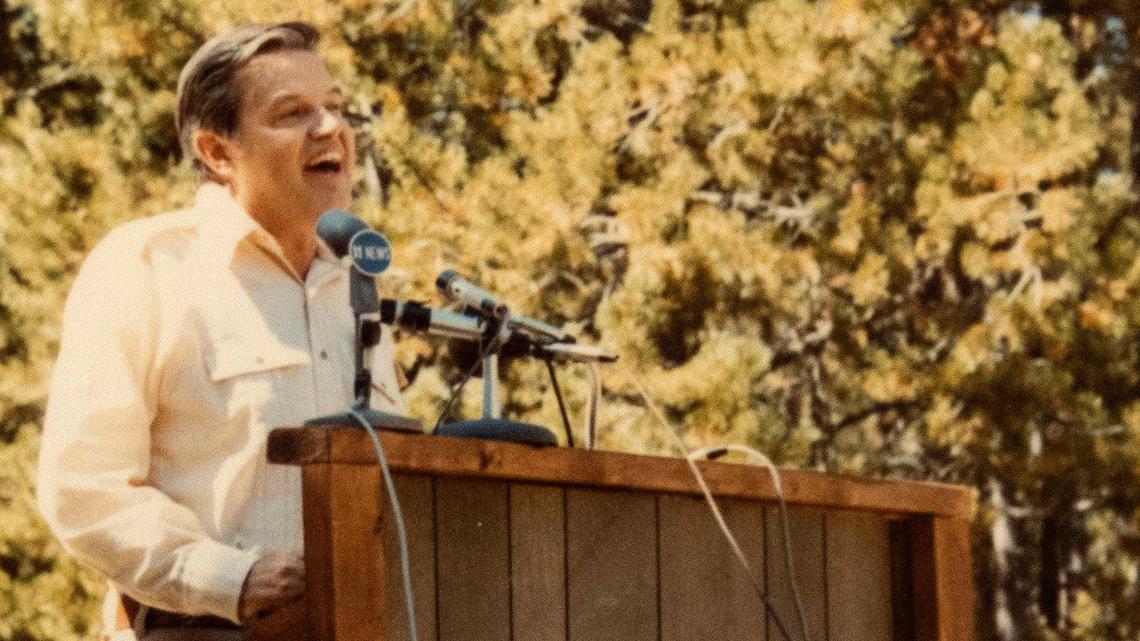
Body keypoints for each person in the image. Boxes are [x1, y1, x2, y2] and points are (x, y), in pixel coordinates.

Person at [36, 22, 405, 641]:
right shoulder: (146, 265)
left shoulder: (356, 288)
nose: (330, 128)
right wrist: (233, 578)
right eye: (292, 113)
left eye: (335, 107)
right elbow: (83, 487)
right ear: (217, 152)